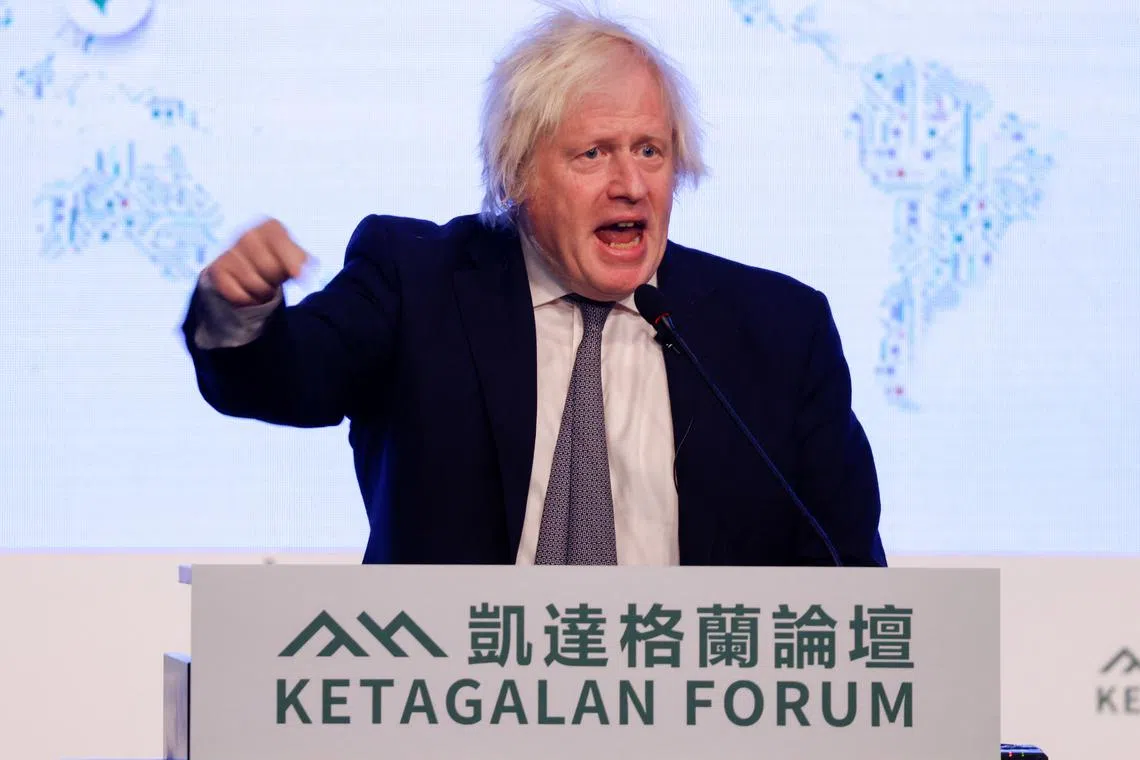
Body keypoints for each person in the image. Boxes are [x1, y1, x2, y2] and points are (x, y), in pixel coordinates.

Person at [181, 7, 887, 567]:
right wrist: (241, 312)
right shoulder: (417, 282)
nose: (631, 186)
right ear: (518, 173)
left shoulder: (779, 331)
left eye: (650, 151)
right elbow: (285, 380)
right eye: (593, 154)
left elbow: (844, 569)